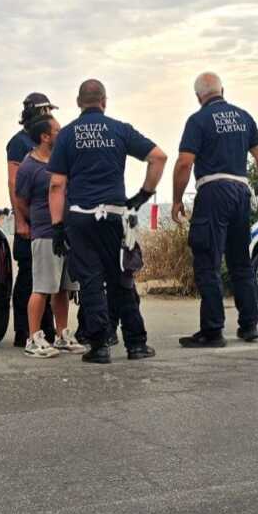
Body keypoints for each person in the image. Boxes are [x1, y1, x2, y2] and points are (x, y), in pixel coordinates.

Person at [48, 79, 167, 364]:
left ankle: (100, 346)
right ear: (104, 101)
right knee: (121, 279)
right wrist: (143, 195)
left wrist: (57, 227)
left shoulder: (66, 135)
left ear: (79, 102)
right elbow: (158, 157)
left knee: (90, 280)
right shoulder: (119, 129)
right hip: (114, 214)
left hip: (80, 217)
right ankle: (136, 343)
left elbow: (56, 185)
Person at [171, 72, 258, 348]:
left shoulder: (198, 121)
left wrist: (177, 199)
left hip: (213, 191)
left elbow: (184, 163)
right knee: (240, 261)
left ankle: (212, 330)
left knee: (208, 261)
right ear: (222, 90)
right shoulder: (243, 116)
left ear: (198, 97)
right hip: (241, 192)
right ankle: (249, 325)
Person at [14, 114, 87, 358]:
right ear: (45, 136)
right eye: (57, 130)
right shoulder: (28, 167)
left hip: (66, 233)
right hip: (45, 234)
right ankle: (33, 338)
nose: (62, 132)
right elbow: (21, 200)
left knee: (62, 288)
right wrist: (29, 221)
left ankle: (62, 334)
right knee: (42, 287)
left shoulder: (61, 161)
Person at [7, 93, 56, 347]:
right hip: (29, 219)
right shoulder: (19, 142)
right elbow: (15, 182)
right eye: (47, 110)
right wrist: (21, 220)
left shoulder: (50, 141)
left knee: (46, 277)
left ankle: (47, 329)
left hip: (48, 219)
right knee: (28, 275)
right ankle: (23, 330)